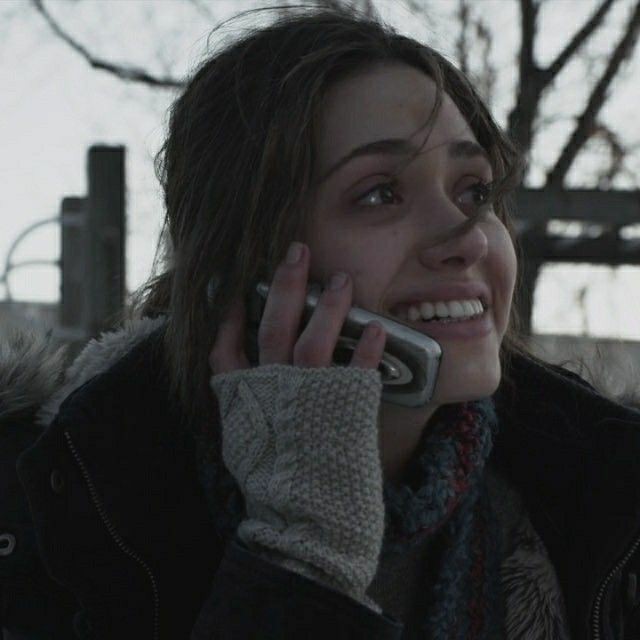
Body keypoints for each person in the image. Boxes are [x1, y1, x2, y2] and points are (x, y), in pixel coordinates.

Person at [2, 4, 640, 639]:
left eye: (474, 190)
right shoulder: (48, 512)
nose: (468, 237)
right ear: (248, 267)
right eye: (380, 193)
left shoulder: (602, 495)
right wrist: (304, 552)